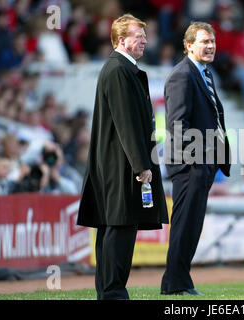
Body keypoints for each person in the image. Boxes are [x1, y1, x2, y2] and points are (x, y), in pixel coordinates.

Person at [76, 14, 169, 300]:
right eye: (138, 36)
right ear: (120, 40)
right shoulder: (118, 70)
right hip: (121, 165)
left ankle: (108, 292)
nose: (144, 40)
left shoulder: (121, 69)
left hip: (117, 162)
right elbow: (126, 121)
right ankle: (113, 293)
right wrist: (141, 164)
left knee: (112, 227)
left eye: (145, 35)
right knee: (120, 226)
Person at [162, 21, 231, 295]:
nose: (210, 46)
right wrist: (199, 158)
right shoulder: (183, 75)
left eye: (212, 41)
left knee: (192, 226)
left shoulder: (204, 73)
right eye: (204, 41)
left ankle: (179, 281)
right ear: (188, 45)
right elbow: (177, 123)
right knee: (185, 225)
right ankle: (174, 284)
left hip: (202, 163)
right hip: (191, 163)